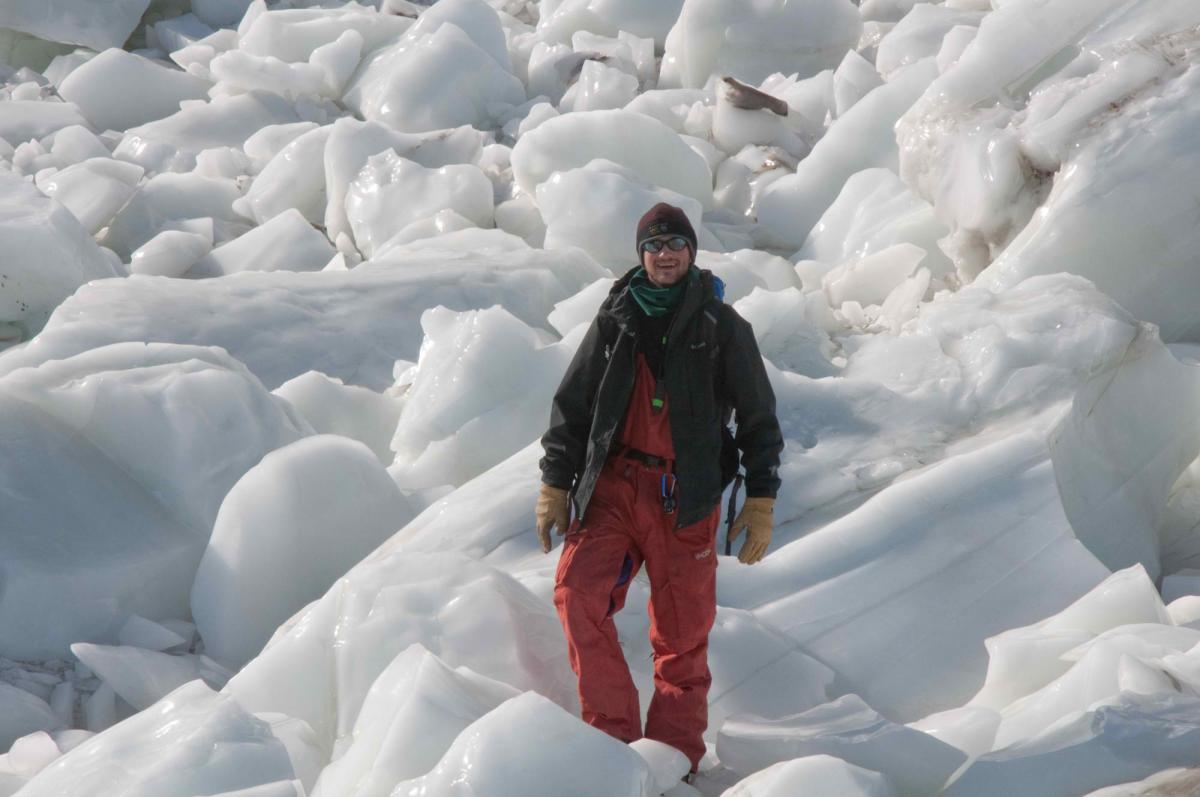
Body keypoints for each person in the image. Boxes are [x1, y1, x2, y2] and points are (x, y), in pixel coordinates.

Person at [535, 202, 784, 775]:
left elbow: (758, 419)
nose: (665, 254)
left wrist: (762, 498)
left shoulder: (723, 328)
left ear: (691, 253)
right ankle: (615, 749)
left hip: (684, 495)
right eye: (654, 244)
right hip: (612, 488)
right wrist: (555, 482)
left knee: (682, 637)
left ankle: (674, 763)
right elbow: (573, 406)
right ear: (641, 254)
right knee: (577, 597)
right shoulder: (615, 318)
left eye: (675, 243)